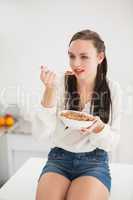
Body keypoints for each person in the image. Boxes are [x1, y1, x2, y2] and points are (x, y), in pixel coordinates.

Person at [35, 29, 122, 200]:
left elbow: (112, 142)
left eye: (84, 57)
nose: (75, 63)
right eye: (71, 56)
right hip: (58, 158)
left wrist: (99, 129)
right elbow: (41, 134)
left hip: (94, 162)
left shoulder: (112, 89)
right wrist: (49, 90)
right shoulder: (60, 83)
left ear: (100, 57)